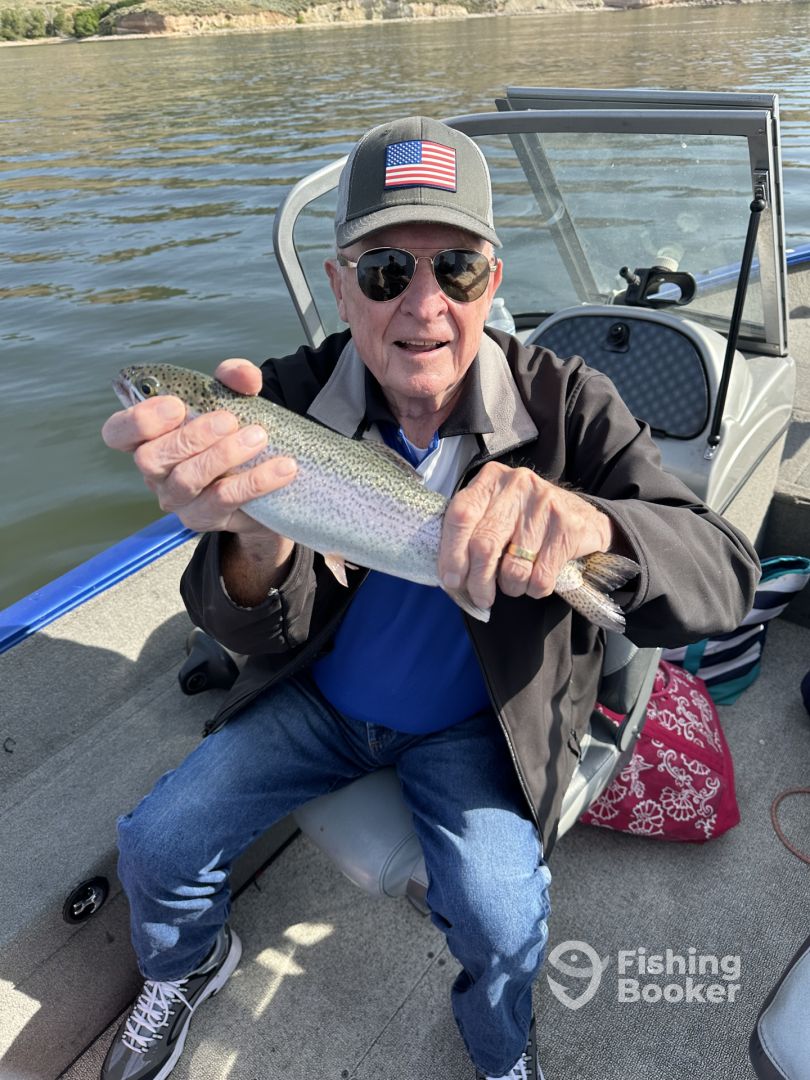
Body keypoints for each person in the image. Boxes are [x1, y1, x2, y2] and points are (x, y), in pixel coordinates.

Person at [100, 115, 760, 1080]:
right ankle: (187, 962)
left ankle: (501, 1054)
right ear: (339, 286)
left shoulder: (569, 405)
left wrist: (594, 527)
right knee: (157, 842)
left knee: (502, 920)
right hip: (316, 702)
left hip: (479, 726)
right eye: (383, 272)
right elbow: (238, 620)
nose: (423, 304)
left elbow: (725, 571)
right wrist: (255, 537)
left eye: (455, 267)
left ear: (492, 280)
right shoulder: (277, 402)